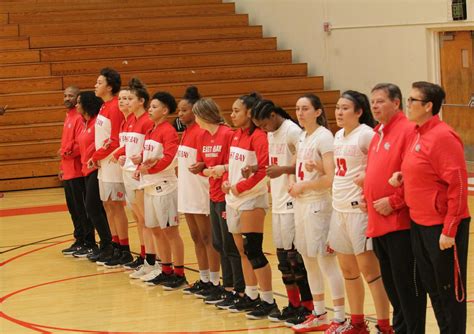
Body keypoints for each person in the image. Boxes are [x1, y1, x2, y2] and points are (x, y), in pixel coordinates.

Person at [394, 81, 470, 334]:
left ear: (428, 106)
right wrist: (402, 177)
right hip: (419, 222)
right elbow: (425, 170)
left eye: (412, 100)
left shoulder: (443, 136)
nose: (408, 104)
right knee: (433, 287)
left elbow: (457, 184)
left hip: (441, 227)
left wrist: (449, 229)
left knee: (449, 291)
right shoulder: (417, 132)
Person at [327, 90, 392, 334]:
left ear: (359, 111)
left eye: (345, 108)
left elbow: (382, 165)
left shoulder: (367, 135)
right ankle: (357, 323)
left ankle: (385, 326)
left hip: (359, 212)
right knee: (348, 271)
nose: (339, 112)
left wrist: (368, 180)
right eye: (337, 107)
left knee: (371, 273)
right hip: (339, 209)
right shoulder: (338, 136)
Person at [364, 83, 426, 334]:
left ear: (396, 102)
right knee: (392, 288)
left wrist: (394, 201)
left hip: (400, 223)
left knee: (407, 288)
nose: (375, 106)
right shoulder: (378, 132)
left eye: (380, 101)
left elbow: (413, 174)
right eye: (373, 102)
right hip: (377, 224)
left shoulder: (408, 130)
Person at [249, 99, 317, 326]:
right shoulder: (271, 133)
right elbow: (275, 163)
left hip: (291, 200)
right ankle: (293, 303)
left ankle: (307, 306)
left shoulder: (292, 131)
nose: (262, 129)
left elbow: (303, 164)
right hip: (277, 200)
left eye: (264, 124)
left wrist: (283, 171)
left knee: (294, 257)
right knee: (282, 257)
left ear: (272, 116)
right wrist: (257, 169)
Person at [282, 95, 346, 333]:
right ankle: (319, 313)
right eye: (297, 108)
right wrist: (291, 180)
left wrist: (305, 186)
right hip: (301, 204)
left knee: (326, 262)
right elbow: (294, 166)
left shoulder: (325, 137)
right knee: (308, 260)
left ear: (318, 111)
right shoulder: (301, 136)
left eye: (305, 108)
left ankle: (339, 317)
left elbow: (331, 178)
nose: (300, 113)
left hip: (319, 205)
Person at [222, 93, 278, 319]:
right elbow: (235, 165)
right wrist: (227, 179)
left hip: (252, 199)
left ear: (250, 113)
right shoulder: (236, 135)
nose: (232, 115)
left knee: (253, 249)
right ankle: (251, 295)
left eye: (237, 111)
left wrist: (241, 186)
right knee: (241, 250)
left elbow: (264, 169)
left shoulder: (259, 137)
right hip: (234, 198)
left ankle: (268, 300)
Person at [190, 97, 245, 307]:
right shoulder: (204, 136)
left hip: (226, 195)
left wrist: (220, 169)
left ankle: (238, 289)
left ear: (204, 115)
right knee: (218, 243)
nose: (195, 119)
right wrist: (202, 167)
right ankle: (227, 286)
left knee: (230, 244)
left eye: (196, 114)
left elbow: (235, 162)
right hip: (212, 193)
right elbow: (208, 162)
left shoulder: (227, 134)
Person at [137, 91, 187, 290]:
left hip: (165, 187)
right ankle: (165, 270)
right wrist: (139, 161)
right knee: (156, 231)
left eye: (154, 107)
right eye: (150, 106)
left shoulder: (168, 131)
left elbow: (169, 158)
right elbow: (150, 155)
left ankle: (179, 273)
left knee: (170, 232)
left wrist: (149, 167)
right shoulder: (151, 130)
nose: (150, 109)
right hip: (149, 186)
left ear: (165, 110)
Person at [176, 86, 221, 297]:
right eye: (178, 110)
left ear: (195, 111)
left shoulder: (202, 133)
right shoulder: (185, 133)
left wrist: (202, 166)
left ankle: (214, 280)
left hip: (201, 190)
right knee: (195, 236)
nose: (180, 114)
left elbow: (208, 162)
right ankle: (203, 278)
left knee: (207, 237)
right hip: (187, 191)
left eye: (184, 110)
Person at [89, 67, 129, 265]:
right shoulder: (104, 106)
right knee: (108, 205)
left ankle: (124, 249)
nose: (95, 86)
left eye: (99, 82)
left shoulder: (114, 107)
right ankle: (114, 245)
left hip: (112, 163)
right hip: (103, 164)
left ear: (110, 86)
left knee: (116, 206)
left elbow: (115, 141)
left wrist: (96, 155)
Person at [58, 86, 96, 257]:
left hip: (77, 170)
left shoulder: (79, 118)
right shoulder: (68, 116)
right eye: (65, 95)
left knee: (82, 208)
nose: (67, 98)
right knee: (73, 208)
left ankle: (89, 241)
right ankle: (79, 239)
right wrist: (61, 166)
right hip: (67, 170)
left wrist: (66, 152)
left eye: (71, 96)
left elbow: (79, 145)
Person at [76, 91, 113, 260]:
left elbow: (103, 144)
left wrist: (95, 158)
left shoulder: (95, 123)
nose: (76, 105)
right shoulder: (85, 123)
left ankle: (107, 245)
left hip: (96, 169)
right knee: (94, 208)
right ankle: (106, 244)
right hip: (86, 169)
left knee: (93, 207)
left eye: (79, 102)